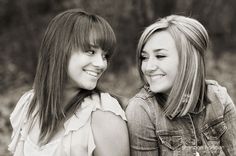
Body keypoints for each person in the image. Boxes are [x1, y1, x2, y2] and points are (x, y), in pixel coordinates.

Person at [8, 9, 130, 156]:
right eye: (90, 52)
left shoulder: (103, 113)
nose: (101, 64)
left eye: (105, 56)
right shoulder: (29, 105)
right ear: (60, 49)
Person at [126, 15, 236, 156]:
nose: (148, 67)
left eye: (160, 56)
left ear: (188, 60)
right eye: (144, 57)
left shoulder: (219, 98)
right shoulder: (141, 110)